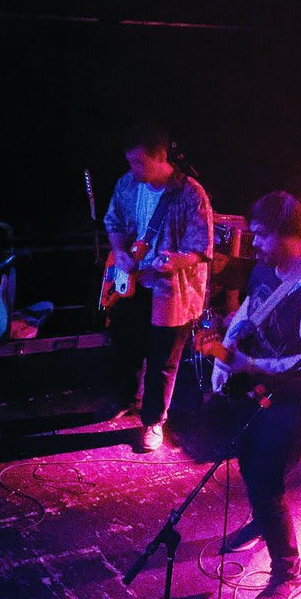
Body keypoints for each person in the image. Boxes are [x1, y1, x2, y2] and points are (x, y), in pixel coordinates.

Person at [212, 192, 301, 599]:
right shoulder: (270, 266)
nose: (254, 244)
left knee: (267, 478)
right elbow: (251, 307)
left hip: (293, 403)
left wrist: (250, 363)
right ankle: (262, 524)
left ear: (291, 236)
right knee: (251, 466)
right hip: (259, 389)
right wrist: (226, 353)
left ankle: (288, 571)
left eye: (263, 236)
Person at [103, 126, 213, 451]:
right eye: (131, 162)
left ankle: (153, 422)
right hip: (133, 282)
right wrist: (120, 251)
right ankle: (126, 397)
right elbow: (114, 223)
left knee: (163, 359)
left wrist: (177, 260)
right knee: (125, 344)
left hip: (171, 289)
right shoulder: (127, 184)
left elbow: (201, 248)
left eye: (140, 163)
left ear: (161, 156)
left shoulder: (190, 193)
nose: (134, 171)